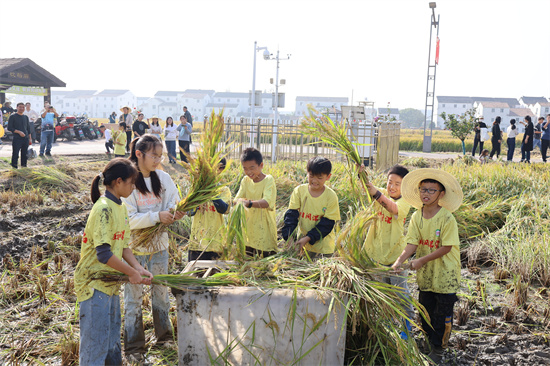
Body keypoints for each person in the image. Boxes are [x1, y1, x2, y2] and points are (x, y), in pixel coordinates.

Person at [74, 158, 153, 365]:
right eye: (131, 182)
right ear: (118, 182)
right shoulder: (103, 209)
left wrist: (138, 268)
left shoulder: (120, 207)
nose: (134, 187)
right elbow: (103, 254)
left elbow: (124, 245)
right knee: (95, 347)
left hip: (109, 284)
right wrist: (130, 273)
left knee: (111, 344)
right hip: (93, 285)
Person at [122, 135, 185, 362]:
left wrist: (175, 212)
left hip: (159, 247)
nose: (158, 160)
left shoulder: (163, 177)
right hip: (135, 250)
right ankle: (134, 347)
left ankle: (165, 337)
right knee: (133, 299)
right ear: (139, 154)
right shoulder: (127, 180)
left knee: (160, 294)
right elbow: (128, 220)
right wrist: (157, 216)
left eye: (160, 156)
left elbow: (173, 201)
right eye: (154, 155)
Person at [392, 168, 463, 364]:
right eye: (423, 189)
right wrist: (399, 260)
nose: (426, 193)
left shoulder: (447, 218)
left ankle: (438, 350)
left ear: (441, 194)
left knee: (442, 317)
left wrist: (421, 260)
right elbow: (412, 243)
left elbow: (447, 247)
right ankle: (429, 344)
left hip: (445, 276)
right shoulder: (417, 216)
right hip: (426, 276)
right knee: (425, 314)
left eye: (431, 190)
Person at [357, 164, 414, 338]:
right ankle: (386, 327)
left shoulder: (405, 202)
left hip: (396, 257)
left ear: (405, 187)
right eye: (390, 182)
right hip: (376, 256)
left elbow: (392, 208)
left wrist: (375, 192)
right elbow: (366, 188)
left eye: (398, 184)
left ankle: (407, 327)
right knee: (381, 294)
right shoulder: (379, 194)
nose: (392, 187)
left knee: (400, 293)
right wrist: (362, 174)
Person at [281, 156, 341, 258]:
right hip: (303, 247)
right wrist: (290, 237)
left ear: (328, 177)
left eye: (319, 177)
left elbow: (327, 224)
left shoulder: (330, 196)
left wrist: (308, 238)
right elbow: (291, 216)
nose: (314, 180)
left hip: (323, 249)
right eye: (311, 176)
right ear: (307, 173)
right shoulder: (299, 191)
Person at [234, 147, 278, 257]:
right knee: (248, 260)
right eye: (245, 168)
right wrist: (239, 201)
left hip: (264, 230)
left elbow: (267, 202)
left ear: (261, 165)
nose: (249, 172)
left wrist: (249, 203)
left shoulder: (268, 180)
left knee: (264, 262)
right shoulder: (245, 180)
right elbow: (236, 199)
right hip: (248, 230)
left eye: (252, 168)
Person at [188, 158, 232, 261]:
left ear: (220, 170)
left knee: (215, 273)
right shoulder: (196, 190)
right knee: (195, 273)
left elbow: (224, 209)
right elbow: (190, 212)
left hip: (216, 241)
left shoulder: (223, 190)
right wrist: (198, 196)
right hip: (197, 241)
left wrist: (211, 191)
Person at [7, 102, 32, 169]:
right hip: (17, 138)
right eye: (20, 107)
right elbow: (9, 128)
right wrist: (18, 132)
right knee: (15, 154)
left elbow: (28, 129)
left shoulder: (25, 117)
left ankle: (24, 168)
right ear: (17, 107)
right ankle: (14, 168)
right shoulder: (13, 116)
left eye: (23, 107)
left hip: (25, 139)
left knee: (24, 154)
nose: (22, 108)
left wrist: (30, 138)